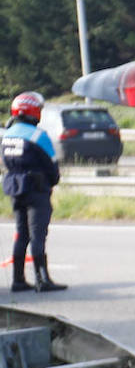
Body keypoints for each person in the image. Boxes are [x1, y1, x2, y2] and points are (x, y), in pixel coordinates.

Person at [3, 91, 66, 292]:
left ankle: (18, 280)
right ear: (34, 111)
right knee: (38, 235)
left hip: (15, 188)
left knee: (21, 234)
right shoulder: (39, 136)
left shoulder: (7, 135)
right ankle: (42, 280)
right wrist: (53, 182)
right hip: (37, 190)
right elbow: (52, 166)